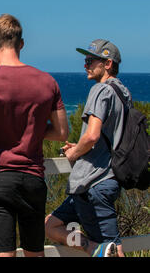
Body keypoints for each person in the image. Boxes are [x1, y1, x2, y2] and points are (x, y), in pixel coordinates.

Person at [0, 14, 68, 257]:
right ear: (22, 44)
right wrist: (31, 130)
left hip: (0, 180)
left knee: (4, 254)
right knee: (35, 252)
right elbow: (62, 132)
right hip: (33, 179)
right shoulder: (48, 82)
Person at [45, 39, 131, 257]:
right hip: (101, 181)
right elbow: (108, 136)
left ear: (108, 64)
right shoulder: (123, 92)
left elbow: (92, 135)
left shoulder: (100, 90)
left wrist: (74, 152)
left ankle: (96, 248)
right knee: (50, 225)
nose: (86, 65)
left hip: (95, 183)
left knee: (114, 249)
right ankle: (93, 249)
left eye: (91, 60)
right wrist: (82, 147)